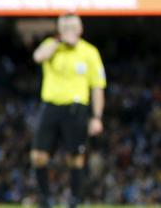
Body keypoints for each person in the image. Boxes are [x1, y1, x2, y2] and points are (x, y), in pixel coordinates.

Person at [30, 13, 106, 208]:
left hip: (76, 109)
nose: (70, 32)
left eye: (73, 28)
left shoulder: (90, 52)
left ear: (80, 30)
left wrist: (96, 117)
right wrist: (58, 42)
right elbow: (38, 56)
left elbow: (97, 87)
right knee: (38, 156)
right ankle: (45, 199)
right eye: (65, 28)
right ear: (60, 30)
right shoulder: (52, 46)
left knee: (76, 158)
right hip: (51, 106)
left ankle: (74, 200)